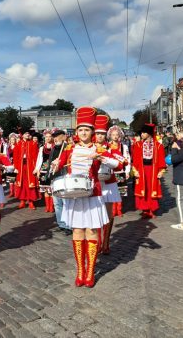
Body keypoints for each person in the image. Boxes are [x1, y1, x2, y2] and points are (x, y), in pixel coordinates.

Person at [52, 107, 119, 287]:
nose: (83, 133)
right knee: (77, 231)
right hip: (74, 196)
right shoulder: (69, 149)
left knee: (91, 230)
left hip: (93, 194)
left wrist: (102, 157)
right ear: (77, 132)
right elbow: (58, 166)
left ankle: (90, 272)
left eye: (87, 130)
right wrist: (55, 164)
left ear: (92, 132)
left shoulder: (98, 148)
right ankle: (80, 271)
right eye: (80, 130)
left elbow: (117, 164)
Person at [94, 116, 125, 255]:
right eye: (97, 133)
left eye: (102, 133)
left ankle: (106, 243)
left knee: (108, 214)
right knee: (95, 215)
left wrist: (104, 153)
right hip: (94, 184)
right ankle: (97, 242)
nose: (99, 136)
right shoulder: (89, 147)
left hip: (109, 183)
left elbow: (122, 163)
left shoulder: (111, 147)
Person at [131, 124, 166, 218]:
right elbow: (135, 159)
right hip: (142, 170)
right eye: (141, 132)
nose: (141, 134)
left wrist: (161, 171)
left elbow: (161, 159)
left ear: (149, 133)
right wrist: (135, 170)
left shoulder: (158, 146)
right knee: (144, 189)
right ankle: (145, 210)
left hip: (153, 170)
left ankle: (151, 209)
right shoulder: (138, 144)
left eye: (144, 132)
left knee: (151, 189)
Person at [47, 128, 71, 234]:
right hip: (55, 178)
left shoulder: (67, 147)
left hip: (65, 177)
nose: (55, 138)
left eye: (58, 136)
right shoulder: (53, 149)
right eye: (54, 137)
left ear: (64, 137)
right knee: (57, 203)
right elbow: (50, 164)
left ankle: (68, 225)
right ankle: (61, 223)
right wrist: (49, 177)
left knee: (66, 202)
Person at [107, 126, 131, 217]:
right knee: (112, 192)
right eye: (113, 135)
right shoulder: (108, 146)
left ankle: (119, 210)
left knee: (120, 192)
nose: (115, 136)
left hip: (121, 171)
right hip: (111, 172)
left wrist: (127, 171)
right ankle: (113, 210)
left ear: (119, 135)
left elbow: (127, 158)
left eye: (117, 135)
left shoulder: (124, 146)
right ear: (110, 136)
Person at [13, 131, 39, 209]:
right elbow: (15, 156)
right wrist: (16, 167)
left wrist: (36, 168)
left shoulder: (33, 143)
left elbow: (36, 156)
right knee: (21, 184)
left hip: (30, 166)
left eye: (28, 134)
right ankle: (22, 201)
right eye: (26, 134)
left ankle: (31, 202)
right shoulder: (18, 144)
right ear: (22, 135)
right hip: (20, 166)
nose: (27, 135)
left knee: (30, 183)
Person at [34, 130, 55, 212]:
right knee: (46, 188)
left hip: (52, 169)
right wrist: (37, 169)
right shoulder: (42, 148)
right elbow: (39, 159)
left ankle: (52, 206)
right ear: (44, 138)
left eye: (50, 136)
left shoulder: (55, 147)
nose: (48, 138)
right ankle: (47, 206)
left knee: (52, 188)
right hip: (43, 169)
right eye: (46, 137)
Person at [6, 133, 17, 198]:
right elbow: (7, 155)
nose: (12, 141)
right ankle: (11, 192)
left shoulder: (17, 146)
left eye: (13, 140)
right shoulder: (8, 147)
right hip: (10, 163)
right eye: (11, 140)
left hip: (15, 163)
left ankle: (16, 192)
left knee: (15, 178)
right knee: (10, 179)